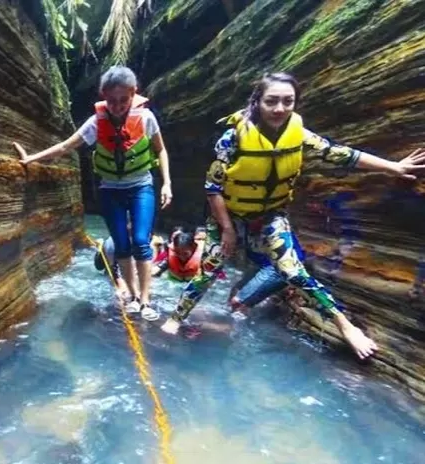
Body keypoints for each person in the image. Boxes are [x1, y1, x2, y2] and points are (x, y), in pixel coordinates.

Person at [161, 72, 425, 360]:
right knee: (208, 270)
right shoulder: (233, 138)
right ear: (257, 102)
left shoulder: (298, 135)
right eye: (271, 101)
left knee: (292, 270)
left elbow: (341, 154)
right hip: (230, 216)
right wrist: (227, 230)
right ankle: (175, 318)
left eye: (288, 102)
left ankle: (345, 326)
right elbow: (213, 187)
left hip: (270, 216)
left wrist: (394, 167)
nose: (279, 109)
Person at [14, 66, 173, 321]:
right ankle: (132, 297)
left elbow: (161, 150)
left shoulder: (146, 118)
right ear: (103, 96)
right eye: (112, 101)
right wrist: (31, 159)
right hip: (111, 190)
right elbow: (66, 146)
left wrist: (166, 184)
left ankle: (146, 301)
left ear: (134, 94)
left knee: (141, 240)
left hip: (141, 186)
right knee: (121, 243)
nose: (118, 106)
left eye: (124, 100)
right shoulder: (96, 123)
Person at [229, 232, 306, 312]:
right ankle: (244, 304)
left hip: (281, 263)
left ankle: (242, 304)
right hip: (290, 262)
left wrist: (240, 297)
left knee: (239, 299)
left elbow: (268, 272)